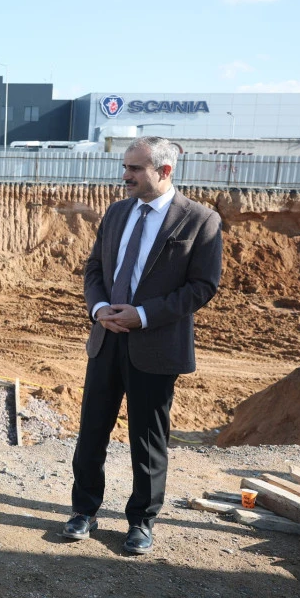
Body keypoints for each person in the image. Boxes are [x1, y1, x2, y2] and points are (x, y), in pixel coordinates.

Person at [62, 136, 223, 554]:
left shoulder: (200, 220)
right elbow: (95, 267)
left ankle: (141, 521)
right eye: (125, 166)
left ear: (164, 171)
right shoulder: (116, 213)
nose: (125, 175)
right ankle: (84, 511)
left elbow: (203, 287)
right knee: (92, 429)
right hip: (107, 338)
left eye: (135, 168)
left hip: (155, 346)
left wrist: (143, 315)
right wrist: (98, 308)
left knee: (147, 439)